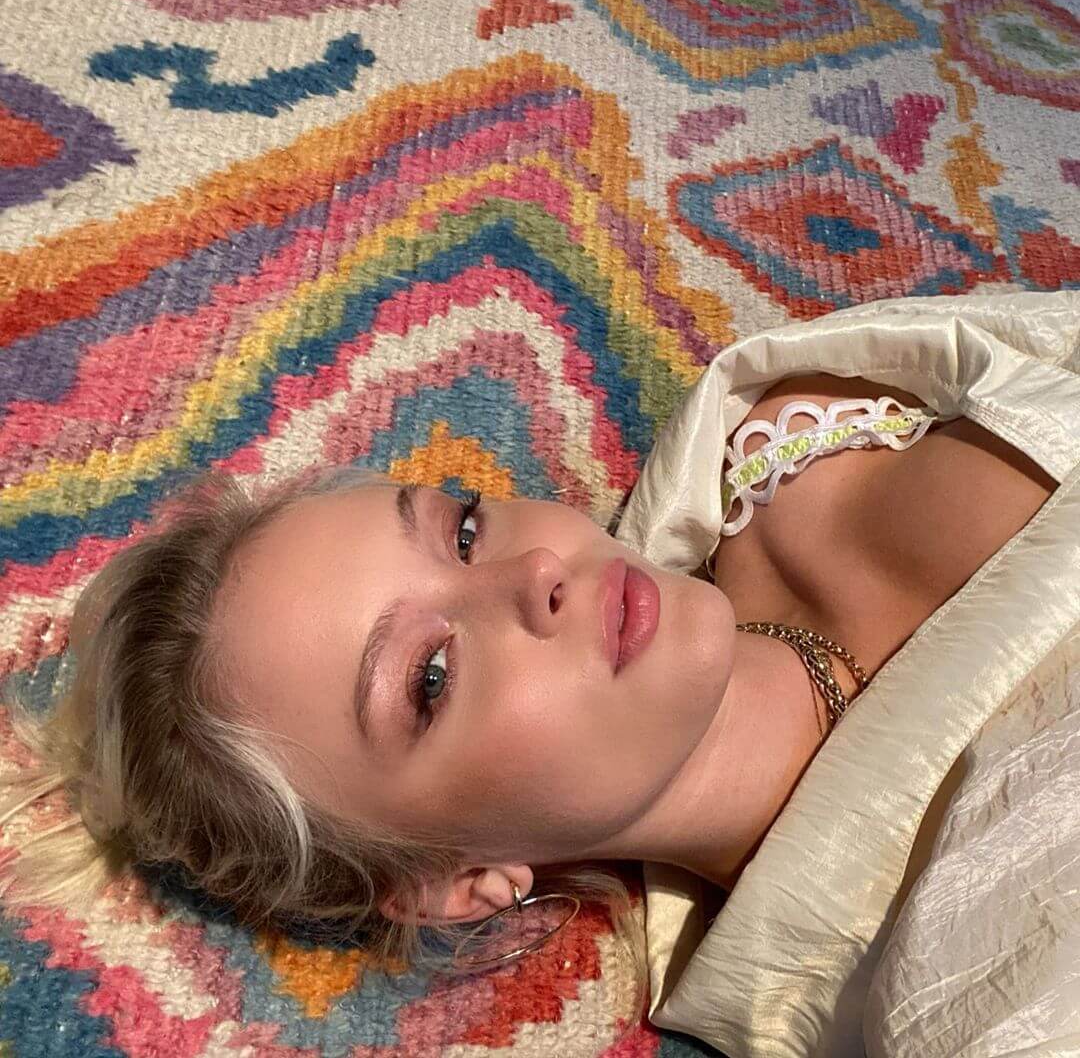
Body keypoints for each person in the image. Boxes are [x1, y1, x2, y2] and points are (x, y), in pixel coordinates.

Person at [1, 290, 1078, 1058]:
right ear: (456, 881)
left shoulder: (782, 443)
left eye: (463, 530)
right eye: (430, 677)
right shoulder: (953, 988)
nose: (535, 576)